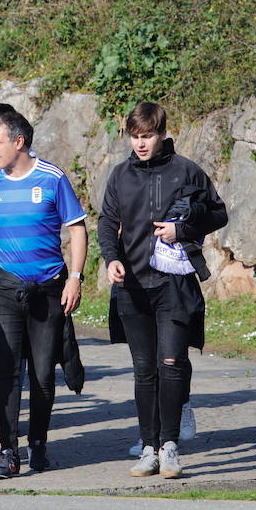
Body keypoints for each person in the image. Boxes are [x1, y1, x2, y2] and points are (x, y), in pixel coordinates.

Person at [97, 101, 227, 480]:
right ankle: (148, 447)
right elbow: (107, 221)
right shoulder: (120, 175)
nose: (140, 144)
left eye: (148, 136)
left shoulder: (186, 171)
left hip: (173, 282)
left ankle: (170, 447)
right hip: (133, 285)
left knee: (171, 364)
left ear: (162, 134)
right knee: (144, 370)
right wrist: (110, 259)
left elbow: (218, 213)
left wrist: (182, 231)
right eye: (135, 137)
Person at [0, 106, 88, 479]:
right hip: (2, 288)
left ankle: (38, 444)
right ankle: (8, 452)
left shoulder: (52, 178)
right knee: (5, 372)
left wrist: (76, 277)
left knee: (42, 375)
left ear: (19, 142)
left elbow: (78, 229)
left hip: (47, 289)